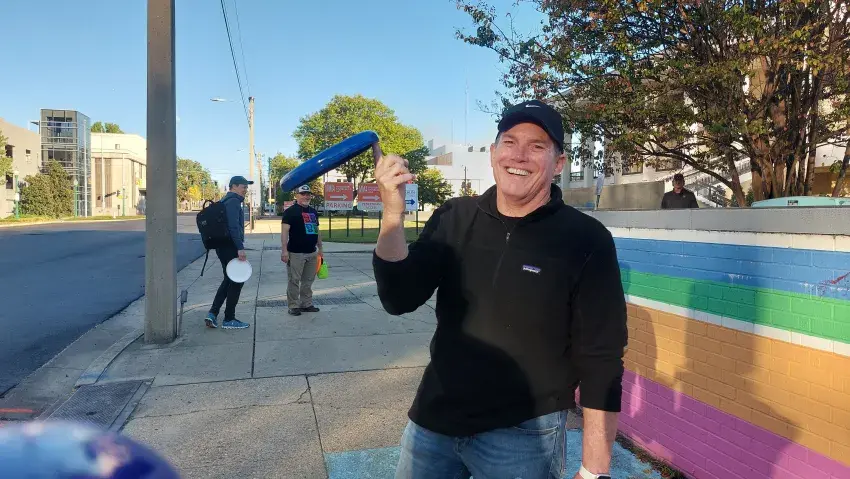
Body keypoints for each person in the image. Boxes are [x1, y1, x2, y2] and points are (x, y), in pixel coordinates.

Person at [372, 99, 626, 479]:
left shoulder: (586, 240)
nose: (519, 155)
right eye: (509, 142)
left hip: (524, 434)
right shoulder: (454, 217)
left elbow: (601, 357)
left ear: (558, 163)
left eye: (537, 146)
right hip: (434, 422)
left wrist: (594, 470)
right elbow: (399, 297)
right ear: (493, 153)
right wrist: (392, 215)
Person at [205, 176, 252, 330]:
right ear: (233, 186)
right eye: (243, 187)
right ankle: (229, 318)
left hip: (223, 246)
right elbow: (233, 227)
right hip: (230, 247)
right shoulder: (233, 202)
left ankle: (212, 314)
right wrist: (240, 247)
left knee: (228, 279)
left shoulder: (225, 201)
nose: (245, 190)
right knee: (237, 281)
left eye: (246, 187)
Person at [281, 184, 323, 316]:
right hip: (296, 253)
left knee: (308, 280)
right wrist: (284, 250)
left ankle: (306, 304)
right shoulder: (290, 212)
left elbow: (316, 230)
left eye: (308, 194)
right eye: (303, 194)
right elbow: (284, 232)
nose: (306, 196)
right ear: (296, 196)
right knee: (294, 280)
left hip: (312, 252)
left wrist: (320, 248)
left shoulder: (313, 212)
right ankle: (293, 306)